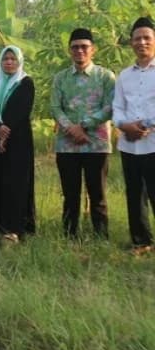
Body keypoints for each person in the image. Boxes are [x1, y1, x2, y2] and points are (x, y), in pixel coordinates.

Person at [51, 28, 115, 239]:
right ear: (69, 51)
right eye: (75, 47)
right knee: (70, 194)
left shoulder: (106, 77)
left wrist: (83, 126)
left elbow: (109, 107)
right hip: (66, 145)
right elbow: (56, 108)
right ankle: (69, 236)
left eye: (84, 47)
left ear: (93, 50)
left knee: (97, 194)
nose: (79, 51)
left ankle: (101, 237)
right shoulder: (60, 78)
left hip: (96, 144)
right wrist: (72, 129)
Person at [0, 45, 35, 242]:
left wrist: (6, 131)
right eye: (6, 59)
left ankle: (15, 227)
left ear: (19, 61)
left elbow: (22, 110)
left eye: (13, 59)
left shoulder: (25, 83)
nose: (9, 62)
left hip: (18, 141)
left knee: (16, 183)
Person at [113, 17, 155, 254]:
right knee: (135, 194)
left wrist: (143, 125)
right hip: (129, 145)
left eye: (146, 38)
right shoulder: (124, 76)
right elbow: (117, 106)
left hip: (153, 143)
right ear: (131, 43)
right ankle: (142, 241)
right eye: (137, 38)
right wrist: (125, 126)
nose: (142, 42)